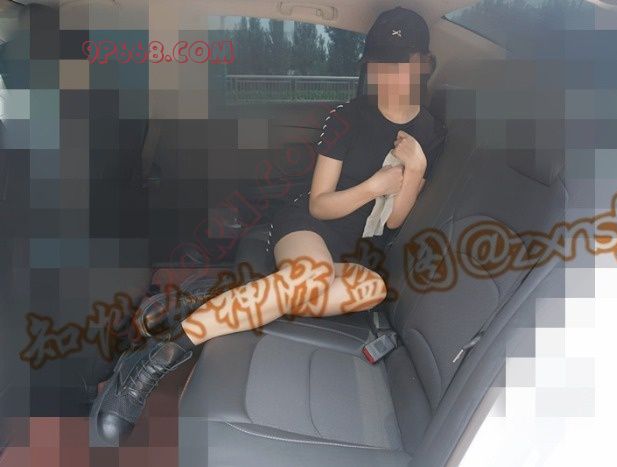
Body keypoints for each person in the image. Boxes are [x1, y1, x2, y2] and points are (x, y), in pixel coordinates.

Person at [91, 6, 448, 444]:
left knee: (371, 290)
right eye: (380, 62)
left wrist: (416, 168)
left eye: (401, 62)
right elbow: (320, 205)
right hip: (310, 227)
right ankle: (156, 358)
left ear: (423, 64)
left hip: (358, 252)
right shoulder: (347, 118)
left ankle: (222, 297)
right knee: (310, 277)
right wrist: (374, 185)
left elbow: (394, 219)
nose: (390, 75)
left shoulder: (430, 132)